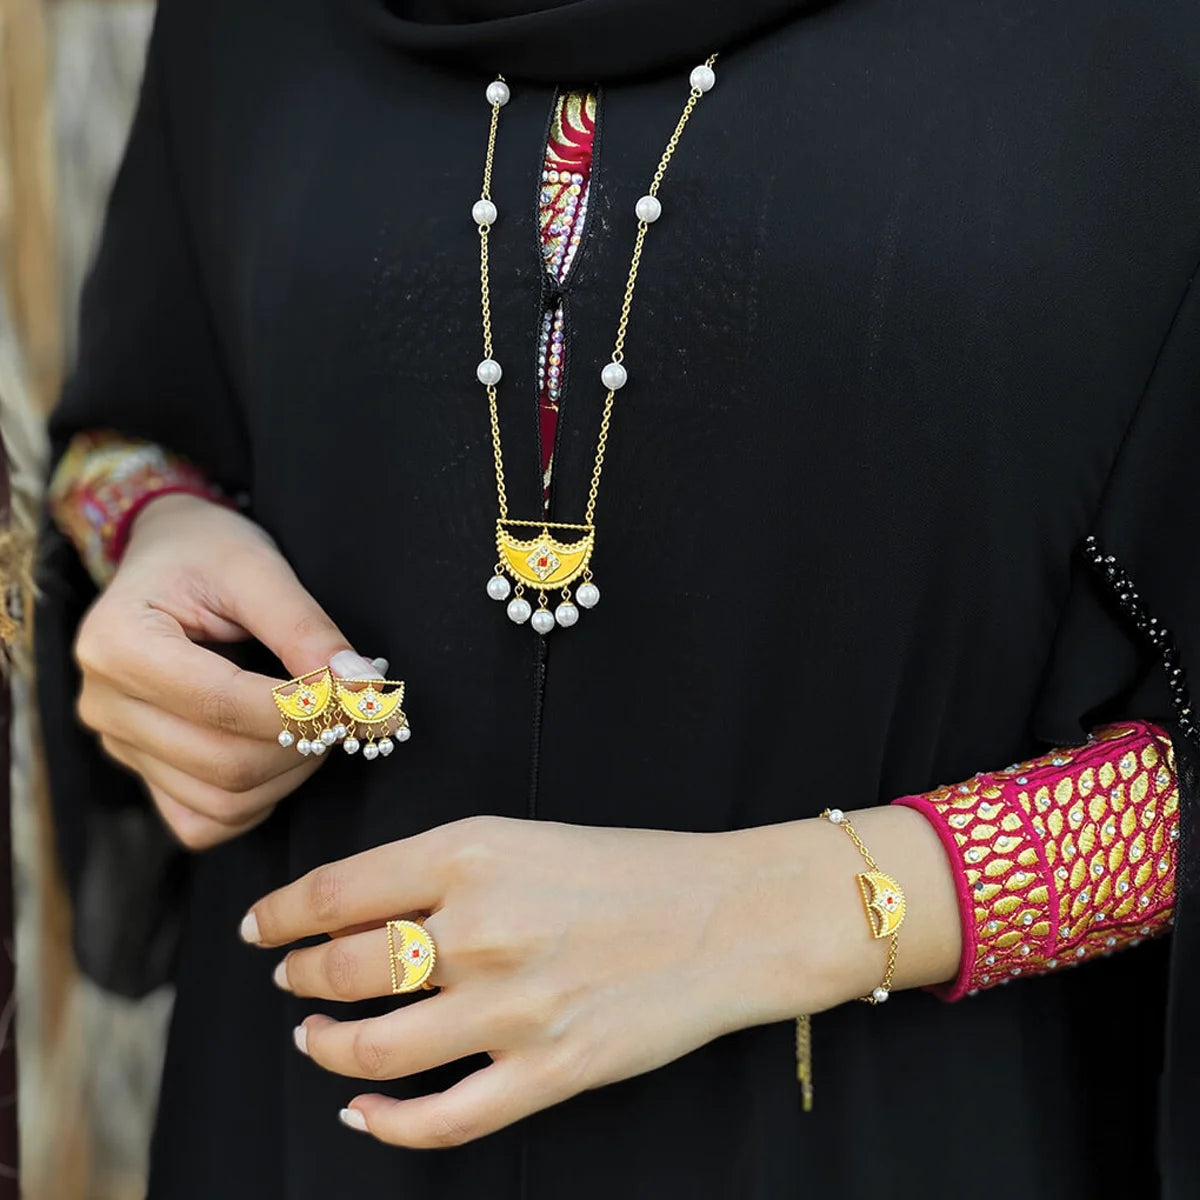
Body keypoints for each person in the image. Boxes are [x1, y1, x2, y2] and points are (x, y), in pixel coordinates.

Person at [35, 1, 1200, 1196]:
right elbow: (136, 425)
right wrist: (156, 532)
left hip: (874, 1130)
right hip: (314, 1104)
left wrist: (767, 916)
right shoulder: (249, 25)